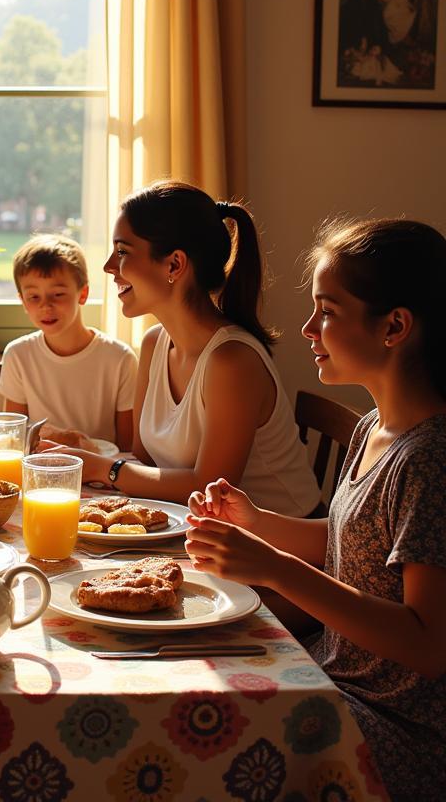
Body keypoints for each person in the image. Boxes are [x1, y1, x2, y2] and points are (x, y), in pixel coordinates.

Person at [184, 218, 446, 801]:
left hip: (400, 730)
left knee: (195, 733)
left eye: (327, 311)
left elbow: (427, 644)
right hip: (336, 678)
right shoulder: (376, 427)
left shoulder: (429, 460)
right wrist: (257, 523)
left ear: (395, 326)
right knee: (189, 685)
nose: (306, 328)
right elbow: (353, 541)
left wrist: (272, 567)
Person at [42, 181, 320, 514]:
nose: (107, 267)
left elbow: (210, 487)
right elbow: (145, 458)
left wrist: (104, 468)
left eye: (122, 252)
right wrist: (86, 456)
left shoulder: (232, 360)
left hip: (278, 546)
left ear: (174, 265)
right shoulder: (154, 343)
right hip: (200, 529)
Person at [0, 234, 136, 450]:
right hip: (40, 470)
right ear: (22, 301)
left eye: (58, 294)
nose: (46, 306)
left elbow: (128, 448)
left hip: (101, 475)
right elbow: (14, 436)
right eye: (34, 297)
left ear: (83, 294)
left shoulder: (119, 358)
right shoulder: (18, 355)